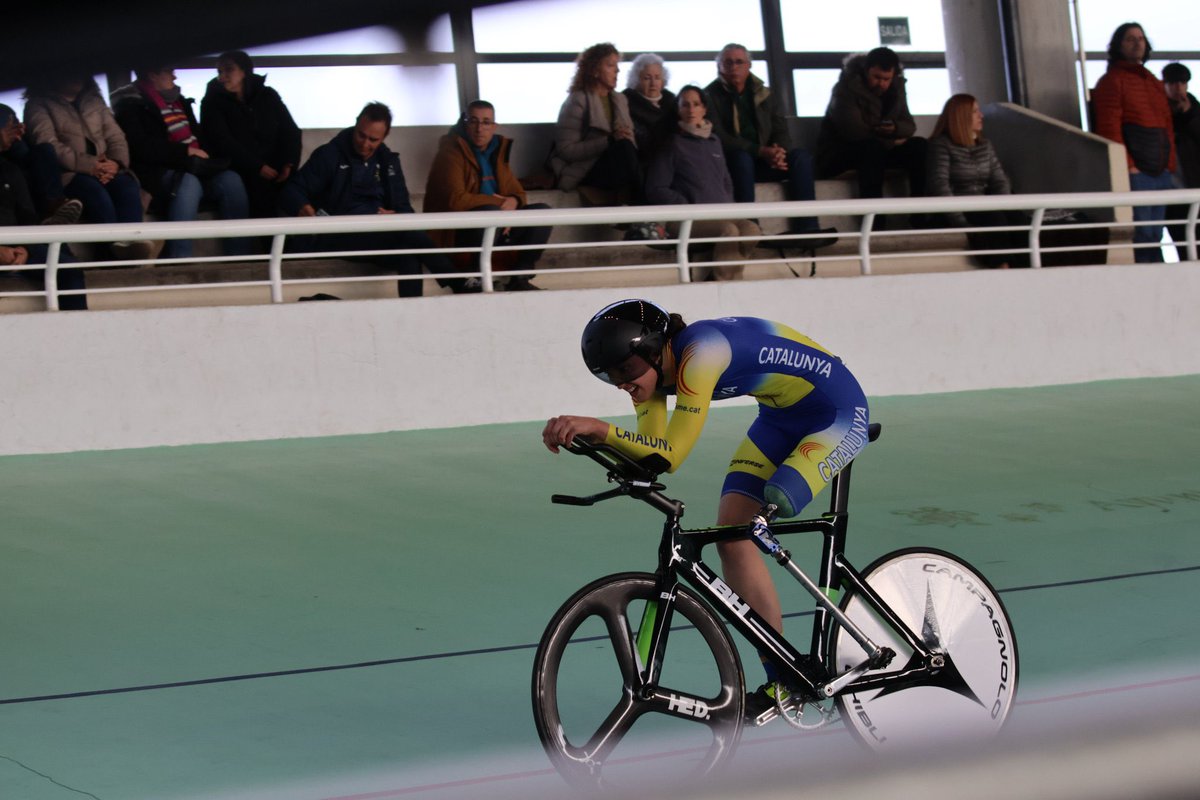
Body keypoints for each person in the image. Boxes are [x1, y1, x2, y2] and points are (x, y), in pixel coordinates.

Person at [541, 299, 869, 722]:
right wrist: (596, 446)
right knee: (732, 537)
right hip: (779, 417)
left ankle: (837, 629)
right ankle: (785, 678)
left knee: (779, 499)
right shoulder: (653, 376)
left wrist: (599, 428)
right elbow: (651, 453)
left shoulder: (701, 354)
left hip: (838, 413)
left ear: (657, 351)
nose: (621, 383)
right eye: (609, 376)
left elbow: (672, 453)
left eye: (625, 371)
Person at [279, 102, 473, 296]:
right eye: (361, 135)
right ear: (356, 124)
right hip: (338, 235)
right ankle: (456, 282)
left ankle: (412, 315)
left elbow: (405, 209)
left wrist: (395, 215)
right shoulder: (329, 155)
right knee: (409, 238)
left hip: (379, 233)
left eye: (373, 139)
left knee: (408, 253)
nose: (365, 144)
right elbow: (291, 190)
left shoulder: (388, 160)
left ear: (384, 136)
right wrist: (304, 207)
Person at [111, 67, 250, 259]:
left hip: (195, 166)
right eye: (169, 71)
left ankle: (241, 258)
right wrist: (184, 152)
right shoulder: (130, 104)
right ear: (153, 74)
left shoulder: (180, 101)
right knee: (188, 183)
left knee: (231, 180)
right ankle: (180, 261)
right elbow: (141, 147)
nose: (174, 76)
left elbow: (199, 138)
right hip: (158, 173)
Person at [705, 44, 836, 248]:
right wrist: (760, 151)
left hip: (767, 160)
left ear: (749, 65)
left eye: (739, 62)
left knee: (800, 157)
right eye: (727, 62)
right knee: (741, 158)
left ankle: (808, 227)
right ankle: (751, 227)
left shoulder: (764, 94)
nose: (733, 67)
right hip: (734, 165)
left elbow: (780, 127)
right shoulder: (709, 96)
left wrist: (779, 153)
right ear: (719, 67)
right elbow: (720, 136)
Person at [423, 100, 551, 291]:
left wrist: (513, 202)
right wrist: (499, 205)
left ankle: (520, 276)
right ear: (466, 123)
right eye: (474, 121)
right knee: (489, 211)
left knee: (542, 212)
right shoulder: (451, 152)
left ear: (494, 126)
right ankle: (475, 276)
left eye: (486, 122)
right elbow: (456, 200)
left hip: (496, 227)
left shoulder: (496, 150)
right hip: (459, 232)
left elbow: (517, 192)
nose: (479, 128)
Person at [23, 74, 154, 260]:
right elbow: (46, 143)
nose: (78, 75)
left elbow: (116, 137)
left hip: (107, 169)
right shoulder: (38, 105)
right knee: (95, 193)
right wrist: (90, 165)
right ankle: (112, 254)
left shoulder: (95, 101)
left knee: (127, 186)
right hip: (68, 173)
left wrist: (115, 163)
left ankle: (131, 242)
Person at [645, 85, 761, 280]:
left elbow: (726, 181)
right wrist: (687, 205)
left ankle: (720, 277)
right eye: (685, 105)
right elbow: (656, 188)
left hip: (721, 213)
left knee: (752, 229)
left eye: (696, 104)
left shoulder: (714, 141)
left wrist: (727, 204)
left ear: (704, 109)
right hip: (686, 220)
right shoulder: (672, 144)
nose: (691, 110)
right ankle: (726, 284)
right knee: (729, 231)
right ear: (678, 110)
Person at [550, 43, 661, 238]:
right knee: (624, 147)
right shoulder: (578, 100)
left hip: (616, 166)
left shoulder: (620, 100)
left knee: (638, 152)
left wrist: (623, 140)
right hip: (585, 170)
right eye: (610, 65)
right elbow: (566, 150)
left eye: (617, 66)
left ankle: (640, 219)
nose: (617, 71)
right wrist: (609, 141)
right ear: (594, 70)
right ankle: (645, 218)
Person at [1091, 23, 1176, 263]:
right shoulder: (1112, 81)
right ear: (1119, 45)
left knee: (1154, 234)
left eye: (1141, 38)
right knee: (1143, 235)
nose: (1138, 43)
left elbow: (1167, 124)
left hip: (1159, 169)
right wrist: (1128, 166)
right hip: (1138, 171)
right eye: (1130, 39)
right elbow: (1109, 127)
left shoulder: (1152, 82)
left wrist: (1169, 164)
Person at [814, 47, 928, 220]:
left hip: (877, 148)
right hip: (839, 153)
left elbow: (909, 126)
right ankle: (875, 221)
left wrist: (895, 128)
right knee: (871, 148)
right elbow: (854, 132)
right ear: (866, 71)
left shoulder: (897, 88)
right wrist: (892, 140)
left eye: (886, 79)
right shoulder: (844, 89)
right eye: (876, 77)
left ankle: (921, 215)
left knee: (920, 146)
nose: (881, 83)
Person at [927, 94, 1028, 269]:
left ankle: (1026, 268)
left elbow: (1000, 180)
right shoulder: (940, 145)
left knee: (1018, 218)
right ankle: (1003, 268)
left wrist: (1001, 204)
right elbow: (940, 186)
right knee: (993, 219)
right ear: (961, 116)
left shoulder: (985, 145)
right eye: (975, 111)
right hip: (958, 210)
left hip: (984, 205)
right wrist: (961, 222)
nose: (981, 116)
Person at [200, 50, 302, 219]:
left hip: (275, 167)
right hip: (239, 168)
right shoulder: (212, 101)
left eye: (229, 70)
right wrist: (257, 167)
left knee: (298, 191)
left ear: (244, 71)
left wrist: (288, 164)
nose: (223, 76)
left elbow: (289, 130)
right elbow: (221, 141)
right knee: (261, 196)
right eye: (219, 72)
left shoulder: (268, 95)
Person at [1, 132, 87, 309]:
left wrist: (25, 249)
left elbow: (27, 218)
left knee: (68, 268)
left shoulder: (9, 170)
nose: (17, 135)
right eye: (10, 126)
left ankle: (78, 333)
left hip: (16, 248)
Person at [0, 103, 81, 224]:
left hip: (25, 232)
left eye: (17, 128)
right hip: (9, 236)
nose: (17, 136)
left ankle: (53, 205)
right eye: (10, 129)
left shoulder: (12, 170)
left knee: (44, 150)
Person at [1162, 63, 1199, 261]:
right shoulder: (1158, 113)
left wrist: (1187, 116)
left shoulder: (1195, 111)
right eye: (1173, 83)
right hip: (1171, 191)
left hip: (1192, 186)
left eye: (1182, 82)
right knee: (1180, 242)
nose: (1178, 88)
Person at [622, 53, 677, 165]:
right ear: (636, 80)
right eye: (647, 78)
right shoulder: (626, 102)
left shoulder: (673, 102)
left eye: (657, 77)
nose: (653, 83)